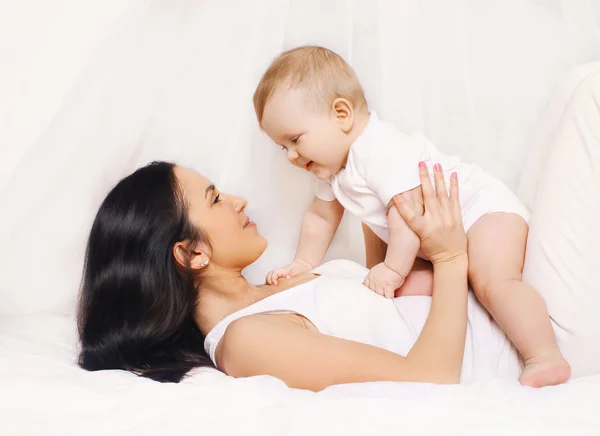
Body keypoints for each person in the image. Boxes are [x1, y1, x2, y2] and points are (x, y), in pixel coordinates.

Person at [252, 45, 570, 387]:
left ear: (341, 114)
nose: (291, 156)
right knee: (411, 290)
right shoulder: (335, 170)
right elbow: (320, 217)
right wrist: (302, 264)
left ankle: (545, 355)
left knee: (494, 282)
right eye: (283, 147)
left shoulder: (377, 149)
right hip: (436, 236)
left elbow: (404, 215)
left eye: (296, 140)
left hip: (484, 213)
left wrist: (392, 269)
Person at [78, 162, 524, 389]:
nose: (238, 200)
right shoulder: (246, 341)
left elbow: (383, 318)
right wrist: (449, 258)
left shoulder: (273, 289)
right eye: (214, 199)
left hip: (509, 300)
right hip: (517, 347)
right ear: (191, 253)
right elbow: (429, 381)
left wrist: (373, 207)